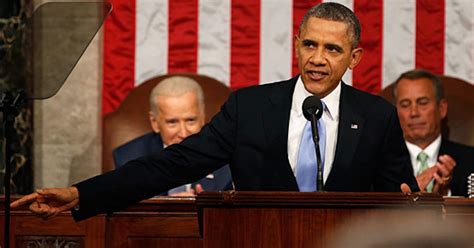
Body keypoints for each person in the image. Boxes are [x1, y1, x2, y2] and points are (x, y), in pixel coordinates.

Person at [11, 2, 418, 221]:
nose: (317, 58)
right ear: (296, 44)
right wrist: (82, 193)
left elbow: (401, 201)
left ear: (354, 58)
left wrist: (413, 201)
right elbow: (173, 165)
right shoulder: (250, 107)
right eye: (310, 44)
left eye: (332, 49)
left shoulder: (377, 116)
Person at [112, 76, 233, 196]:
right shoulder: (129, 158)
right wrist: (167, 206)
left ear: (202, 117)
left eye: (190, 120)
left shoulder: (228, 159)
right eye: (172, 122)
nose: (183, 133)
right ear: (155, 122)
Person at [393, 69, 474, 196]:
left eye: (423, 103)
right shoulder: (379, 163)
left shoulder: (471, 160)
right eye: (405, 104)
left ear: (441, 109)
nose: (414, 113)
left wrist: (445, 195)